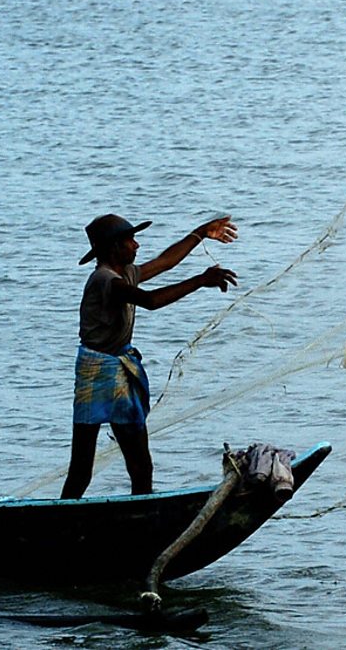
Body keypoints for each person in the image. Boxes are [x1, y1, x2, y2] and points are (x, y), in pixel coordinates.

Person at [61, 214, 239, 499]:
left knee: (141, 464)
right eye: (130, 240)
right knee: (82, 466)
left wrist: (200, 233)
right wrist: (200, 280)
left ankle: (140, 511)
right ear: (113, 248)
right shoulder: (104, 280)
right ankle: (62, 518)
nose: (137, 245)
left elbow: (166, 262)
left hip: (120, 368)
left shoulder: (126, 272)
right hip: (95, 372)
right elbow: (151, 301)